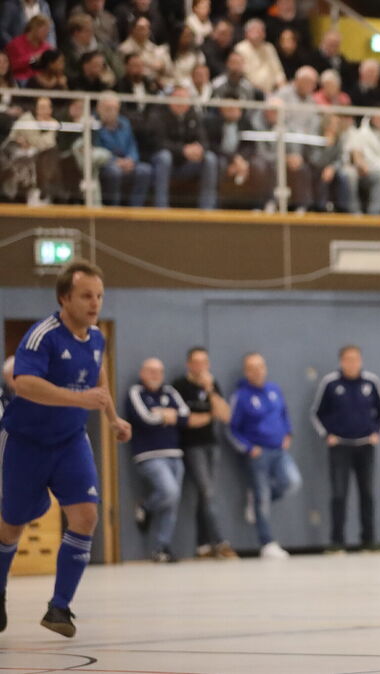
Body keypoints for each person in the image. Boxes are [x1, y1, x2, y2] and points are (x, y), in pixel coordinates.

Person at [0, 261, 133, 637]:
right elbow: (23, 383)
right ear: (64, 298)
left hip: (70, 440)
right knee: (11, 526)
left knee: (86, 516)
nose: (95, 304)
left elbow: (98, 376)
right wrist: (78, 397)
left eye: (99, 296)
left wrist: (112, 418)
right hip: (25, 443)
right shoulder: (43, 336)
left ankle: (59, 608)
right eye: (86, 296)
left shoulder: (96, 338)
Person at [310, 345, 380, 552]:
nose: (352, 363)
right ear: (341, 362)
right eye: (348, 359)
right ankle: (337, 541)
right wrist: (328, 435)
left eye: (355, 359)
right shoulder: (330, 383)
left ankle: (369, 540)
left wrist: (377, 433)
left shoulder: (371, 382)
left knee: (368, 493)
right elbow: (317, 413)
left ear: (360, 361)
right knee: (338, 493)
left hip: (365, 445)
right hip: (340, 447)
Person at [229, 352, 302, 560]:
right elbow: (232, 428)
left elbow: (284, 413)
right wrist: (248, 447)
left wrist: (288, 433)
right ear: (246, 372)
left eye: (261, 366)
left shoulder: (274, 390)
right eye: (252, 368)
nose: (258, 371)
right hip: (257, 453)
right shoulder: (241, 396)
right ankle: (267, 542)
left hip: (279, 449)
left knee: (292, 482)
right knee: (261, 497)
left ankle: (257, 501)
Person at [171, 347, 236, 560]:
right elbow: (186, 420)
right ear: (189, 364)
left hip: (211, 444)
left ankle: (202, 545)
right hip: (191, 445)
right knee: (207, 492)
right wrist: (210, 415)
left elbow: (225, 415)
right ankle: (219, 541)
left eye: (204, 362)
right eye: (196, 362)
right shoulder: (179, 386)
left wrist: (210, 390)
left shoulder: (211, 384)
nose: (200, 367)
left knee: (205, 495)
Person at [126, 358, 190, 563]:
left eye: (159, 371)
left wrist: (162, 414)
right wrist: (166, 416)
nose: (155, 375)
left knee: (172, 502)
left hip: (174, 454)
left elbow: (185, 415)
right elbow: (143, 417)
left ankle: (161, 548)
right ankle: (146, 507)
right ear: (142, 373)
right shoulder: (136, 392)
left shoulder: (169, 392)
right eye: (151, 371)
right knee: (169, 492)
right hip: (149, 455)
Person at [95, 93, 153, 208]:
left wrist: (131, 159)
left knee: (145, 170)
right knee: (114, 172)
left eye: (115, 109)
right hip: (106, 164)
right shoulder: (94, 125)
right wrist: (115, 160)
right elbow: (97, 149)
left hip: (127, 162)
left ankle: (135, 208)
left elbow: (132, 145)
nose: (112, 112)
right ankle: (113, 208)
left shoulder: (124, 123)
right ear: (99, 109)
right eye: (108, 108)